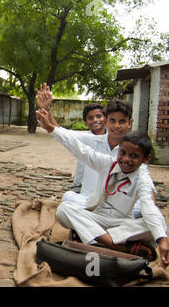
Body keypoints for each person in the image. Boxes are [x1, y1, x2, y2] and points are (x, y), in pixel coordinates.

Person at [36, 108, 168, 268]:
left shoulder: (143, 178)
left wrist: (162, 241)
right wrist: (50, 128)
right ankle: (114, 245)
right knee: (64, 209)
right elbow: (80, 149)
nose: (126, 159)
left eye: (134, 156)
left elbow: (148, 206)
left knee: (156, 225)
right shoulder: (108, 163)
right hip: (97, 217)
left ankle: (93, 240)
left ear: (145, 159)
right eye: (123, 153)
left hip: (122, 223)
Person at [36, 84, 152, 218]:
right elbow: (63, 134)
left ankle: (93, 223)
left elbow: (145, 183)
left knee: (141, 209)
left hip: (120, 205)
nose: (116, 126)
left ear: (129, 123)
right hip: (89, 200)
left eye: (122, 122)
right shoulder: (91, 140)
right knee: (68, 199)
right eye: (112, 121)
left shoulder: (134, 149)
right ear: (106, 121)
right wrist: (45, 109)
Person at [70, 103, 107, 193]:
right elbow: (60, 132)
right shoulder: (82, 139)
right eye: (90, 118)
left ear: (105, 119)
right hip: (82, 185)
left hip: (107, 187)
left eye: (99, 116)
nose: (95, 120)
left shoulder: (113, 139)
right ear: (85, 123)